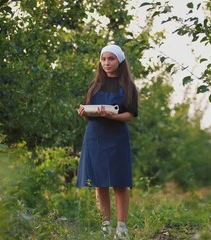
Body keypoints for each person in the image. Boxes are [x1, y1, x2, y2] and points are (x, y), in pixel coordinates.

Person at [76, 44, 138, 239]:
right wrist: (84, 112)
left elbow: (131, 114)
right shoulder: (94, 86)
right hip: (94, 137)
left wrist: (113, 117)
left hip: (117, 136)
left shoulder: (128, 86)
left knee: (119, 182)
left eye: (110, 59)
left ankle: (121, 228)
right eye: (103, 59)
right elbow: (89, 112)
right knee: (99, 182)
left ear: (119, 61)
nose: (106, 63)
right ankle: (105, 227)